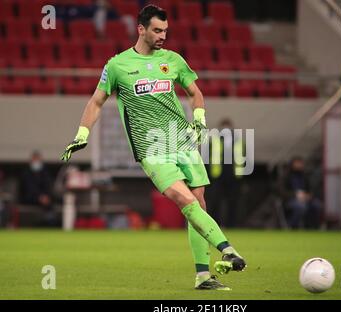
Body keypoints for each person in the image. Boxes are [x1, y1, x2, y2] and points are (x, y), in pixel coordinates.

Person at [60, 5, 246, 291]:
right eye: (157, 30)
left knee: (199, 202)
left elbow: (195, 92)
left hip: (182, 140)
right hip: (152, 147)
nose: (162, 36)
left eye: (165, 31)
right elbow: (96, 102)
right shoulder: (117, 65)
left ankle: (203, 276)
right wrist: (82, 133)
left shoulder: (173, 60)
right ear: (141, 29)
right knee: (185, 201)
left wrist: (199, 117)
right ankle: (227, 249)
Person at [206, 118, 245, 228]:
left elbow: (244, 158)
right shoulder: (214, 140)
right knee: (215, 202)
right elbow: (206, 159)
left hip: (234, 176)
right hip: (217, 176)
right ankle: (215, 225)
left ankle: (231, 225)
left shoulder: (238, 141)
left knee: (233, 202)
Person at [281, 156, 321, 229]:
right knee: (301, 206)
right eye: (297, 163)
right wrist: (296, 195)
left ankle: (311, 226)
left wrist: (309, 195)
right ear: (292, 164)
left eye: (300, 163)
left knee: (317, 205)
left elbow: (310, 189)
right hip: (291, 199)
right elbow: (282, 191)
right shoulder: (286, 176)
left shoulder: (305, 176)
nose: (299, 165)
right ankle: (292, 225)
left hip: (306, 199)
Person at [20, 151, 56, 226]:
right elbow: (29, 188)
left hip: (44, 199)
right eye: (34, 160)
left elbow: (48, 186)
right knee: (45, 202)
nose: (36, 162)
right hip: (29, 197)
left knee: (51, 200)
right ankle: (47, 222)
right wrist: (39, 197)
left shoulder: (45, 173)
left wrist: (46, 196)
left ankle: (49, 221)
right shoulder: (26, 174)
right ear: (31, 161)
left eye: (38, 160)